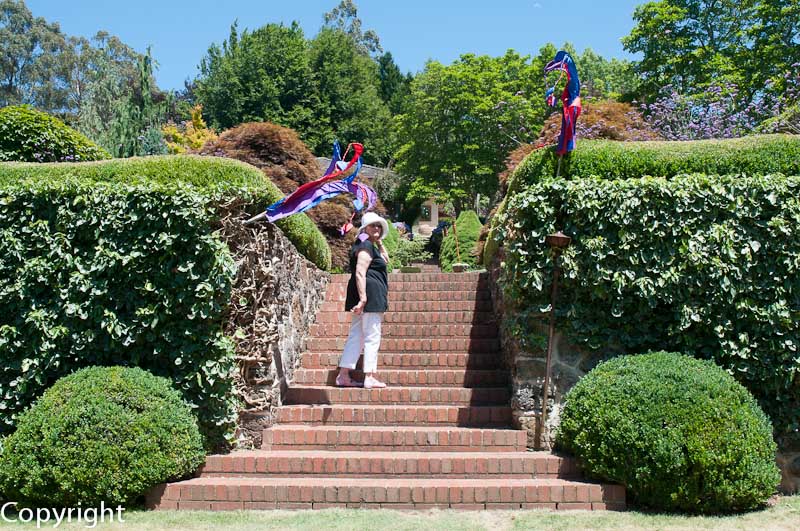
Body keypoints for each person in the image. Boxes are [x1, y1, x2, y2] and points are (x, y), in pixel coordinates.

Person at [336, 212, 390, 389]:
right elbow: (360, 272)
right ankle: (369, 376)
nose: (377, 228)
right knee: (372, 336)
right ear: (365, 228)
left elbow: (386, 260)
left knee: (357, 335)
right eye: (373, 225)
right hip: (370, 297)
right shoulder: (366, 245)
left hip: (367, 296)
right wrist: (364, 298)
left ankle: (343, 375)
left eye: (379, 226)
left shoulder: (367, 244)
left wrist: (379, 241)